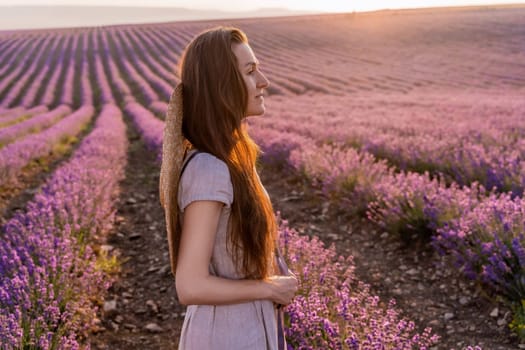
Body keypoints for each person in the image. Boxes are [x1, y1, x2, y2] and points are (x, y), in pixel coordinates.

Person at [159, 26, 298, 350]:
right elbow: (190, 285)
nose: (263, 81)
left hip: (244, 330)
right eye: (250, 72)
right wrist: (268, 288)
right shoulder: (210, 169)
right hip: (225, 336)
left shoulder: (233, 159)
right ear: (222, 86)